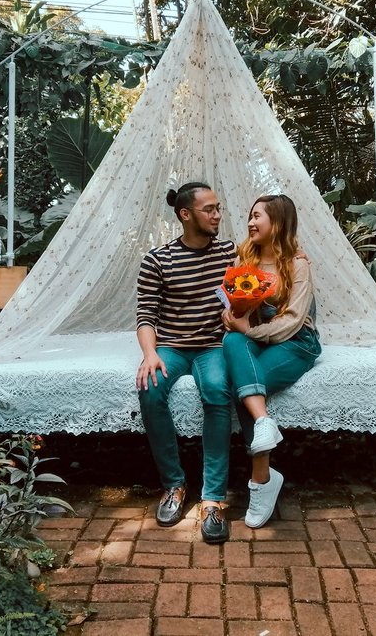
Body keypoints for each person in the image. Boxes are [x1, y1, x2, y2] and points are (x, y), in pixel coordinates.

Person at [136, 181, 236, 544]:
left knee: (216, 391)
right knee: (149, 387)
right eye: (209, 209)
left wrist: (297, 256)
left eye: (218, 208)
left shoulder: (229, 252)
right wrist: (150, 355)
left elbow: (266, 265)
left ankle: (213, 499)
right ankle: (174, 486)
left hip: (213, 346)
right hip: (172, 346)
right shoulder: (158, 259)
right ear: (185, 214)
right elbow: (146, 315)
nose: (217, 215)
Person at [221, 194, 321, 529]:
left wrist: (251, 330)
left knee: (243, 384)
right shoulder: (244, 256)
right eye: (250, 216)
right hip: (255, 336)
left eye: (257, 217)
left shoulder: (298, 264)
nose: (250, 223)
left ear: (277, 222)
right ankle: (264, 428)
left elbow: (293, 320)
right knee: (231, 339)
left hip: (296, 343)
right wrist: (232, 315)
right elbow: (236, 305)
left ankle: (261, 479)